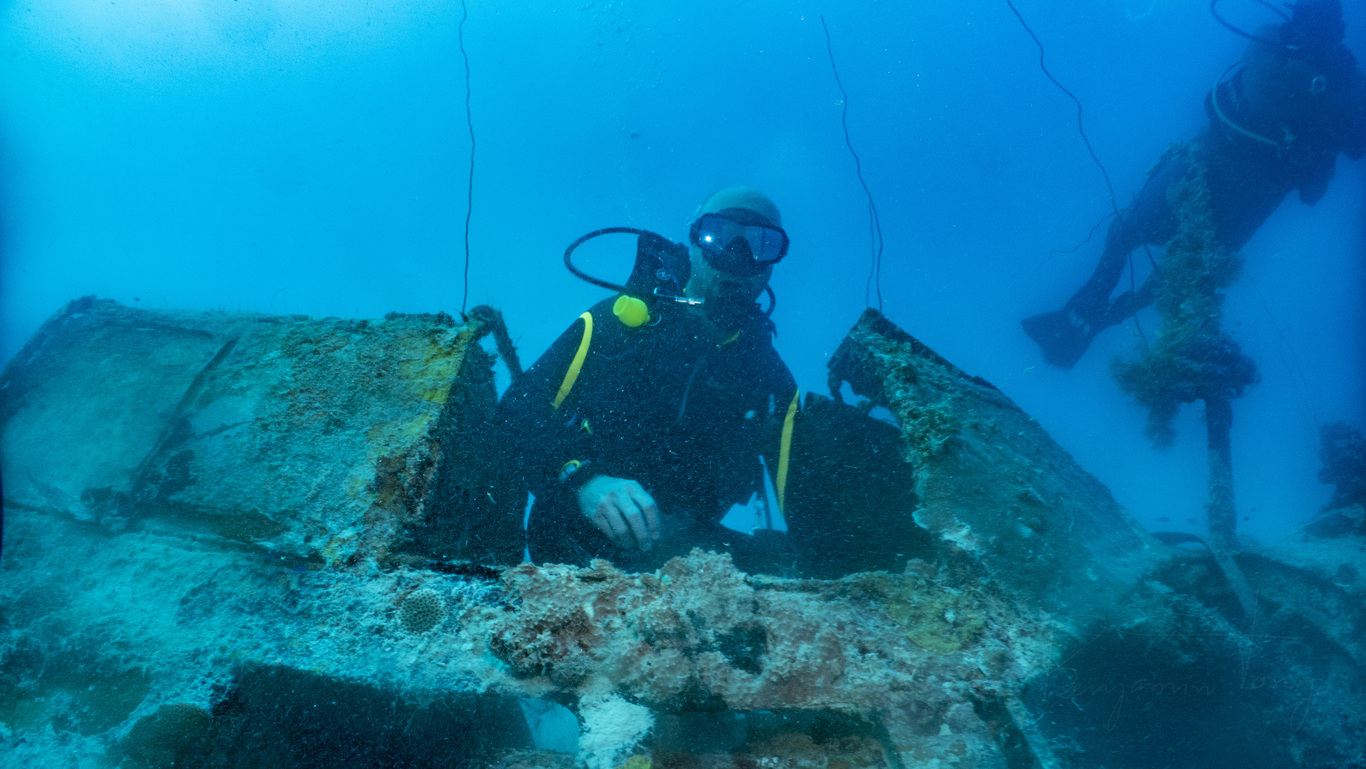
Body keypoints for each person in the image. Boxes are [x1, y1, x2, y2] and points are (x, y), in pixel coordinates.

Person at [1023, 0, 1366, 369]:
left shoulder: (1345, 76)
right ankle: (1083, 309)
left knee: (1176, 272)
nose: (1311, 25)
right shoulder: (1275, 39)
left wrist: (1333, 98)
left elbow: (1356, 143)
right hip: (1211, 163)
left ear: (1337, 28)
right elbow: (1258, 96)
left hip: (1252, 190)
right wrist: (1319, 94)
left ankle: (1094, 325)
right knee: (1128, 231)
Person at [497, 186, 799, 571]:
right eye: (719, 235)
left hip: (685, 554)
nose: (738, 256)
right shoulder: (616, 327)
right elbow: (516, 413)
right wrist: (582, 479)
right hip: (575, 543)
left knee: (779, 561)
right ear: (694, 242)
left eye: (761, 243)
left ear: (773, 262)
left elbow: (807, 502)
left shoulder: (771, 382)